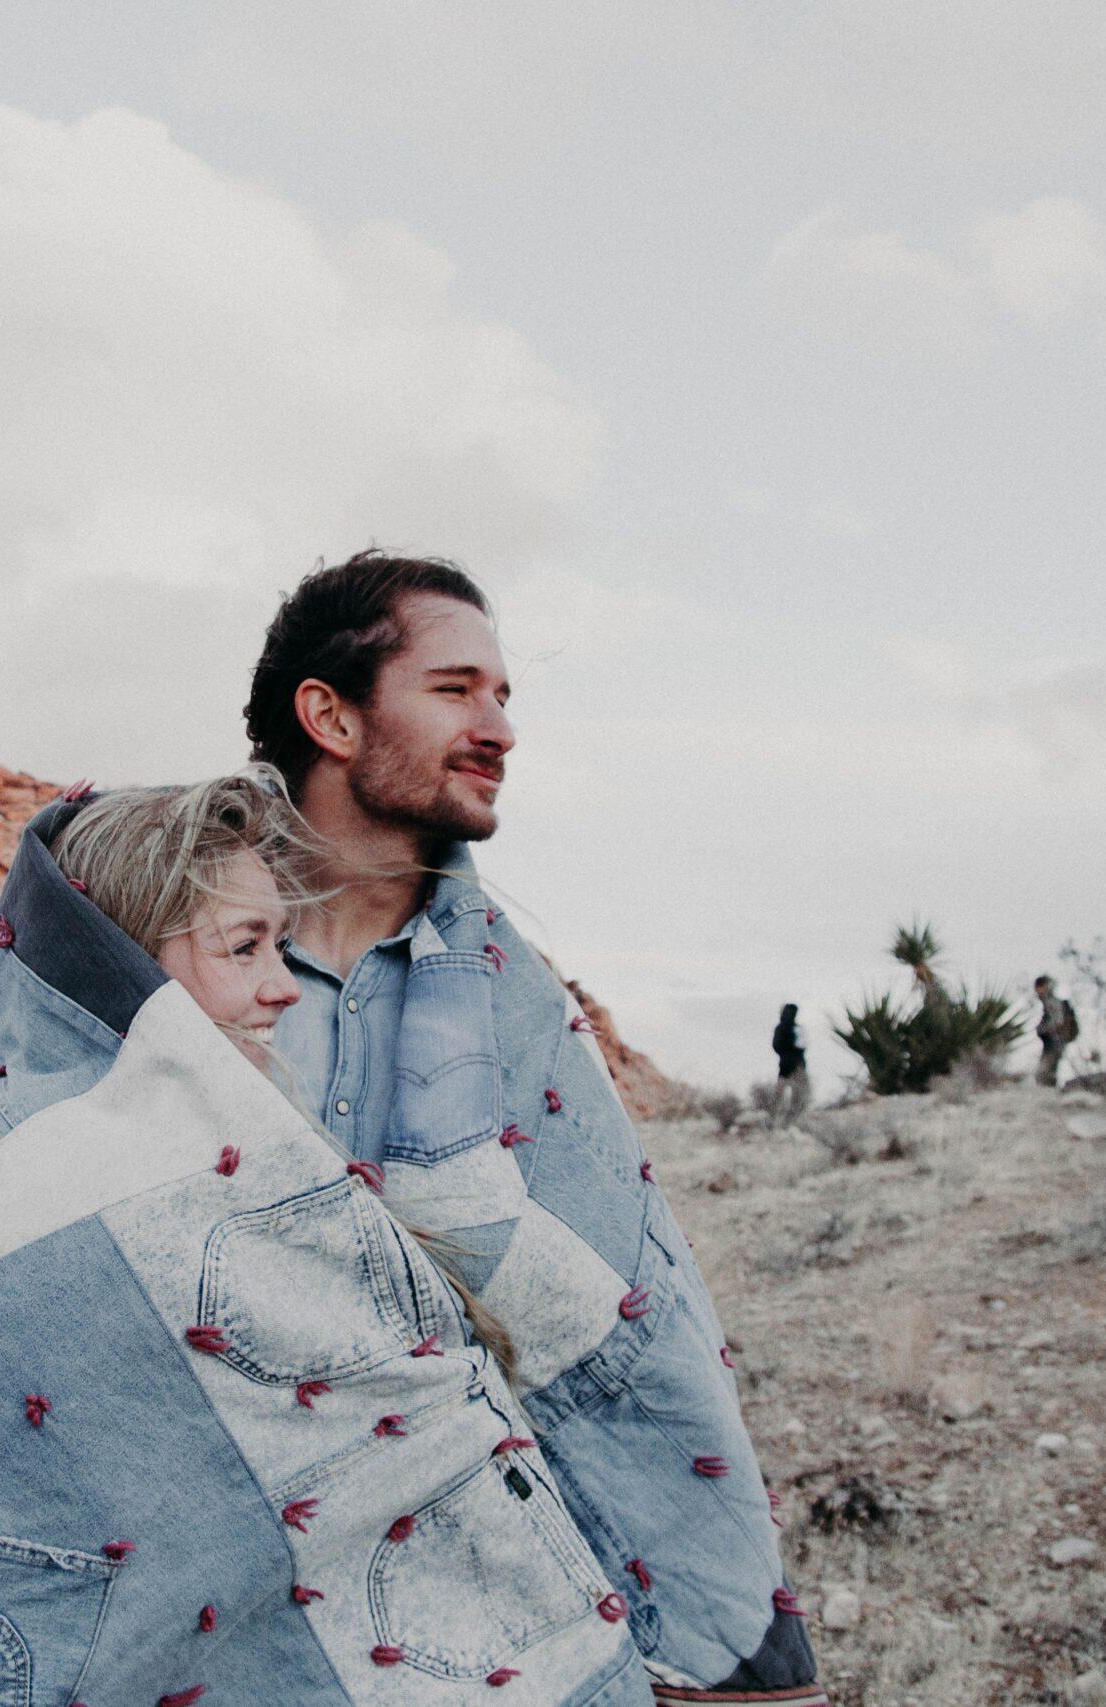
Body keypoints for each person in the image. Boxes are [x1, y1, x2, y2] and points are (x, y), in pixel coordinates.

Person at [0, 768, 653, 1705]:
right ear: (132, 973)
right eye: (243, 949)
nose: (284, 989)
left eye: (282, 947)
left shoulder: (251, 1181)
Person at [249, 551, 826, 1705]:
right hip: (234, 1555)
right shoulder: (169, 949)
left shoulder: (508, 1002)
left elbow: (632, 1310)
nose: (500, 727)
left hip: (467, 1574)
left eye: (505, 695)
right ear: (331, 716)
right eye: (457, 689)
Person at [767, 1003, 810, 1129]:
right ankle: (778, 1121)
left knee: (796, 1095)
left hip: (792, 1065)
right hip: (790, 1065)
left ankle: (788, 1121)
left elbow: (801, 1045)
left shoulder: (793, 1028)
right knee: (785, 1095)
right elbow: (778, 1046)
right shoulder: (786, 1028)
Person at [1034, 973, 1071, 1086]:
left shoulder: (1052, 1002)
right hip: (1052, 1041)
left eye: (1040, 987)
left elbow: (1057, 1022)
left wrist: (1044, 1029)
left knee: (1044, 1073)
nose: (1037, 990)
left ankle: (1050, 1096)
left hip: (1054, 1041)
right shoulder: (1048, 1002)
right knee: (1047, 1073)